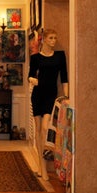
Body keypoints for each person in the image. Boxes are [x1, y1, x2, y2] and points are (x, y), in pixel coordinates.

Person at [28, 29, 68, 180]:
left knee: (45, 128)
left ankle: (42, 164)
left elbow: (64, 78)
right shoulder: (36, 58)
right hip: (38, 95)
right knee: (38, 130)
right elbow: (30, 76)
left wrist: (66, 96)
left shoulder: (59, 56)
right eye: (51, 38)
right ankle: (41, 166)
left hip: (51, 96)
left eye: (55, 38)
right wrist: (32, 80)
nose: (54, 41)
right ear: (44, 39)